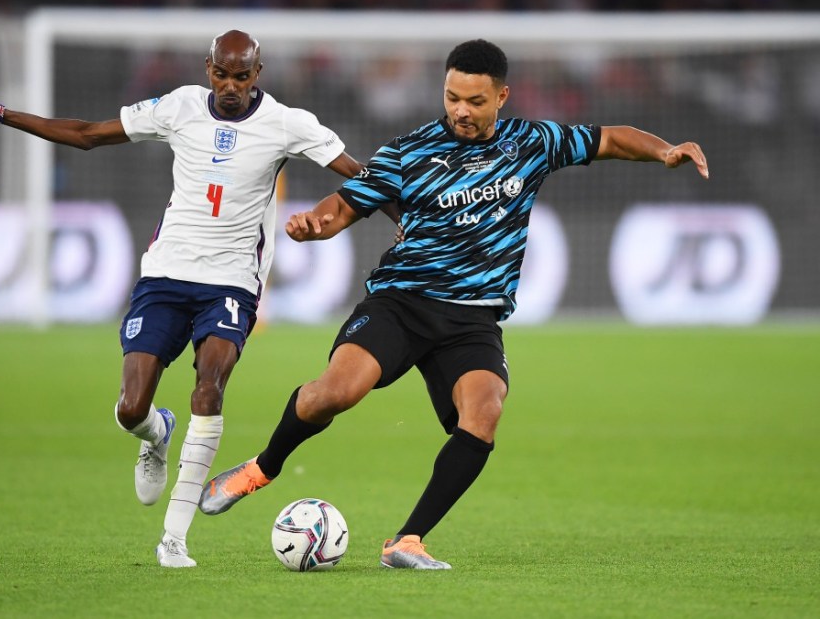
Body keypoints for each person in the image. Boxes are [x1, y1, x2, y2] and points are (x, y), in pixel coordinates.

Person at [198, 38, 709, 569]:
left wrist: (665, 150)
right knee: (335, 393)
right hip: (402, 301)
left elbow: (610, 140)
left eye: (475, 101)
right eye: (452, 97)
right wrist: (314, 225)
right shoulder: (409, 151)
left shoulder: (532, 141)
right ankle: (261, 467)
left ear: (502, 96)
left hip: (473, 316)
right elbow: (346, 204)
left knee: (484, 411)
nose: (461, 110)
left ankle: (407, 541)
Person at [0, 30, 399, 568]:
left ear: (258, 73)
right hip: (165, 276)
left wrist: (404, 221)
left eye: (241, 77)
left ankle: (174, 538)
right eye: (221, 74)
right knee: (130, 408)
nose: (230, 86)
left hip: (231, 283)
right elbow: (88, 134)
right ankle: (155, 433)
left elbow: (360, 175)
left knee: (210, 386)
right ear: (208, 68)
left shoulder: (286, 123)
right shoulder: (178, 107)